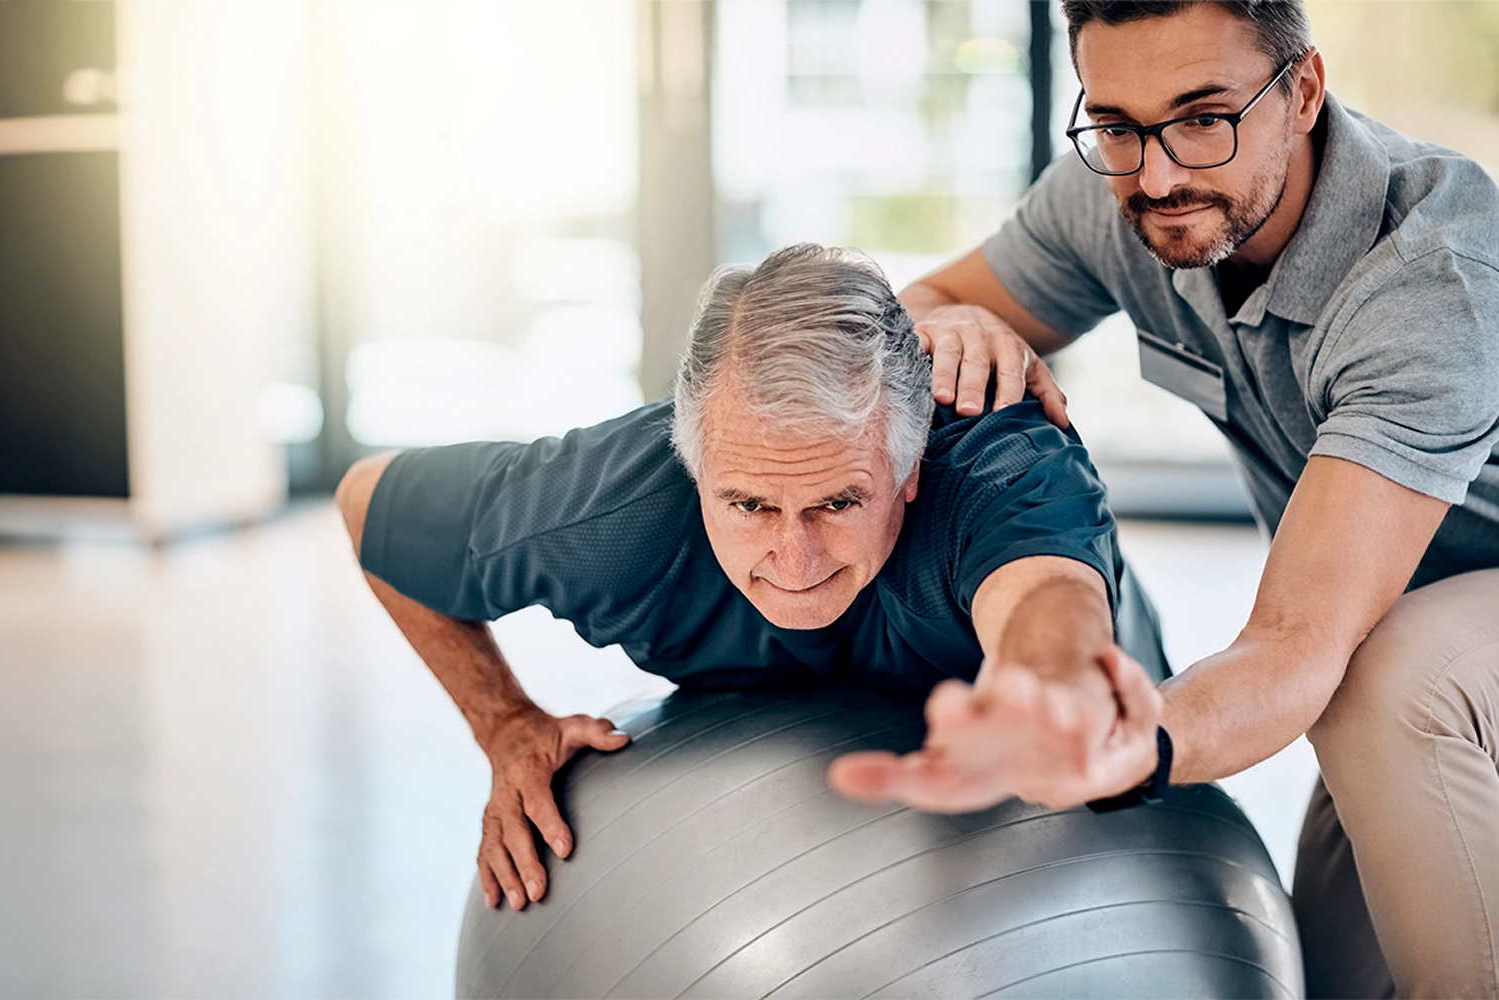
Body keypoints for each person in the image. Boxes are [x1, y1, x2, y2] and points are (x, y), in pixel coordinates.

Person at [828, 2, 1499, 997]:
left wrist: (1120, 745)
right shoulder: (1118, 191)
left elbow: (1295, 644)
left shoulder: (1427, 284)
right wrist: (960, 321)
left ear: (1303, 91)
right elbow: (904, 315)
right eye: (1117, 124)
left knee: (1380, 681)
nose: (1159, 175)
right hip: (1392, 628)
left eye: (1203, 118)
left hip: (1420, 645)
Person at [334, 244, 1167, 916]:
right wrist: (505, 723)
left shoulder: (999, 462)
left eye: (840, 500)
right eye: (749, 504)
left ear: (911, 467)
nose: (795, 562)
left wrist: (1049, 688)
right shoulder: (612, 508)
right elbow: (368, 503)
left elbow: (1046, 602)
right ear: (692, 467)